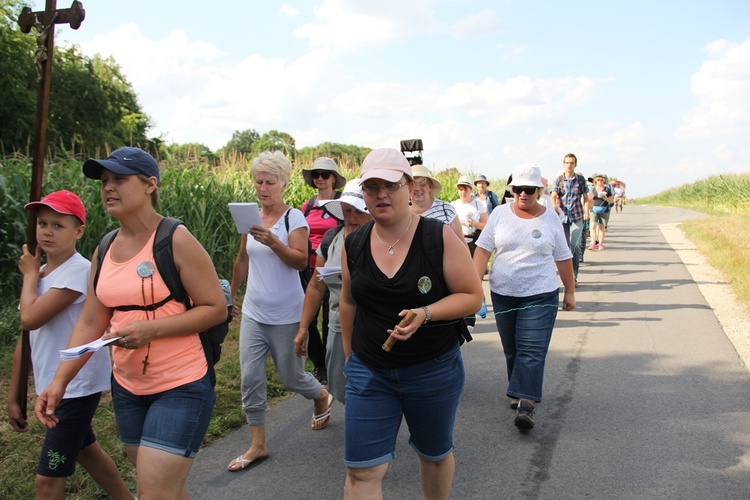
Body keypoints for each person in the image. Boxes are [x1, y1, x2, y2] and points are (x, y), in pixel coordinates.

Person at [34, 147, 228, 499]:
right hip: (128, 388)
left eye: (119, 180)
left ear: (150, 185)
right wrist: (59, 380)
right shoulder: (104, 248)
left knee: (153, 491)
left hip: (181, 384)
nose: (108, 187)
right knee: (165, 489)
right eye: (105, 181)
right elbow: (91, 320)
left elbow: (215, 308)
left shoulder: (175, 239)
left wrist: (150, 329)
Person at [339, 148, 483, 499]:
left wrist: (426, 312)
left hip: (432, 370)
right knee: (361, 471)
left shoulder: (438, 236)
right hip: (370, 372)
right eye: (372, 187)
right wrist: (350, 360)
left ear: (408, 187)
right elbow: (347, 302)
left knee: (433, 456)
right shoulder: (354, 243)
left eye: (390, 185)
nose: (382, 195)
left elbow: (471, 295)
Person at [8, 190, 132, 500]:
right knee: (86, 451)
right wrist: (14, 395)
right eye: (42, 224)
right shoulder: (41, 273)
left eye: (58, 226)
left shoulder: (77, 272)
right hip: (55, 384)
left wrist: (26, 278)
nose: (47, 232)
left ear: (78, 231)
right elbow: (26, 339)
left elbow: (29, 319)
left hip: (75, 386)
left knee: (47, 482)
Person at [228, 151, 333, 472]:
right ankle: (258, 444)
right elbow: (243, 259)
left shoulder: (294, 219)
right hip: (254, 313)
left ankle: (320, 395)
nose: (263, 188)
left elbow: (302, 261)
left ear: (283, 183)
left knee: (291, 378)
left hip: (288, 313)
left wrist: (273, 241)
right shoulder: (250, 216)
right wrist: (230, 295)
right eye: (258, 181)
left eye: (269, 182)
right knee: (250, 377)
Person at [473, 163, 575, 431]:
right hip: (504, 294)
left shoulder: (550, 217)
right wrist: (474, 288)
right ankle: (519, 390)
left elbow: (563, 257)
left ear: (539, 191)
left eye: (529, 189)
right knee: (513, 349)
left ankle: (527, 403)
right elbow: (482, 251)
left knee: (531, 349)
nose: (523, 194)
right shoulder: (499, 214)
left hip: (540, 293)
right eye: (517, 189)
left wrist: (570, 291)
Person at [295, 179, 372, 405]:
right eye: (346, 210)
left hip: (373, 327)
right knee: (342, 388)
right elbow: (316, 286)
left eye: (359, 211)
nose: (351, 217)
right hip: (338, 327)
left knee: (372, 389)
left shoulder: (381, 241)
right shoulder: (332, 240)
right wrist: (302, 329)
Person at [300, 157, 347, 385]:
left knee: (330, 318)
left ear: (334, 179)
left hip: (332, 268)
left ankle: (329, 366)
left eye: (325, 175)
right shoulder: (307, 205)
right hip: (308, 268)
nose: (319, 178)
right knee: (307, 320)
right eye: (316, 174)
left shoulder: (341, 203)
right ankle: (318, 362)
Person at [550, 154, 590, 285]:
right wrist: (555, 206)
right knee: (565, 248)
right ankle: (566, 277)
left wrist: (586, 211)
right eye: (567, 162)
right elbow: (554, 195)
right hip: (563, 217)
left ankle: (574, 275)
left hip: (577, 215)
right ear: (563, 164)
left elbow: (585, 197)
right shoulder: (559, 180)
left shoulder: (580, 179)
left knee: (576, 245)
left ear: (575, 165)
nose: (569, 165)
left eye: (571, 163)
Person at [409, 164, 464, 243]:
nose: (417, 188)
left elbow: (462, 247)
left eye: (422, 184)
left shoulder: (446, 210)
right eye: (413, 185)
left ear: (430, 186)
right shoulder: (401, 213)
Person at [451, 175, 487, 256]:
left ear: (470, 189)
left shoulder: (479, 204)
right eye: (461, 190)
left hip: (473, 243)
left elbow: (486, 225)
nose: (463, 192)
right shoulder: (453, 205)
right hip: (456, 242)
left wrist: (475, 224)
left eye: (466, 190)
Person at [588, 174, 614, 251]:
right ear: (595, 181)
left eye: (602, 180)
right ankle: (593, 243)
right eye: (598, 180)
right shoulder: (592, 189)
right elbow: (588, 199)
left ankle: (600, 243)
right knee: (592, 226)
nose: (600, 181)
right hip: (593, 209)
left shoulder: (607, 189)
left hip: (604, 209)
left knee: (601, 227)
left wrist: (605, 198)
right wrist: (590, 206)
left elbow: (611, 200)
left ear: (604, 181)